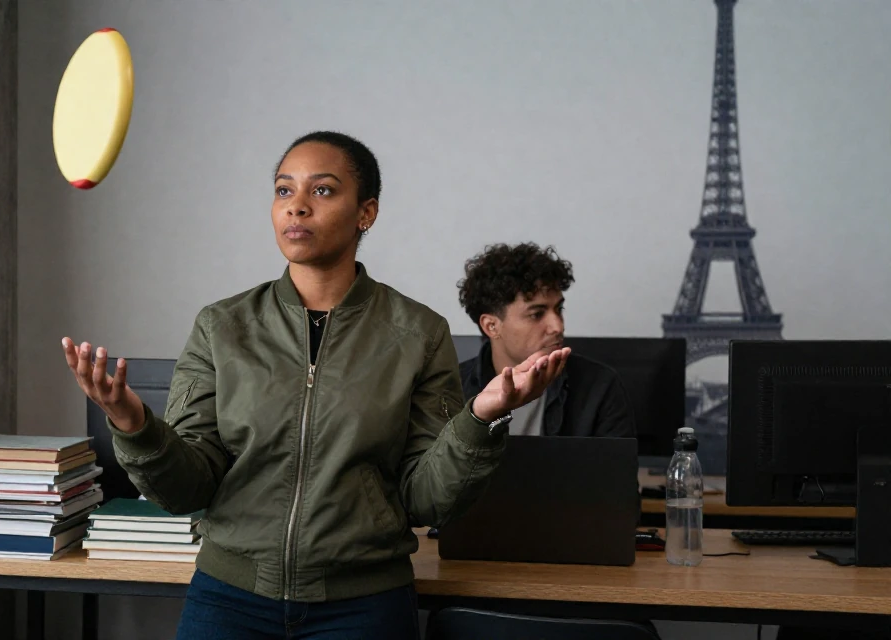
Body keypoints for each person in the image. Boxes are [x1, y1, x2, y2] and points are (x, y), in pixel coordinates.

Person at [61, 131, 570, 640]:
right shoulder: (223, 326)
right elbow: (187, 488)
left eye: (322, 191)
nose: (296, 208)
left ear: (365, 212)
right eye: (284, 191)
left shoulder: (418, 333)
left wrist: (481, 419)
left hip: (364, 606)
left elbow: (426, 499)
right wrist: (132, 423)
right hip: (230, 600)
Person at [456, 242, 634, 438]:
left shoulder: (600, 386)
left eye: (559, 309)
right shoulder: (450, 390)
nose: (558, 326)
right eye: (537, 314)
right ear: (492, 326)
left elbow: (613, 468)